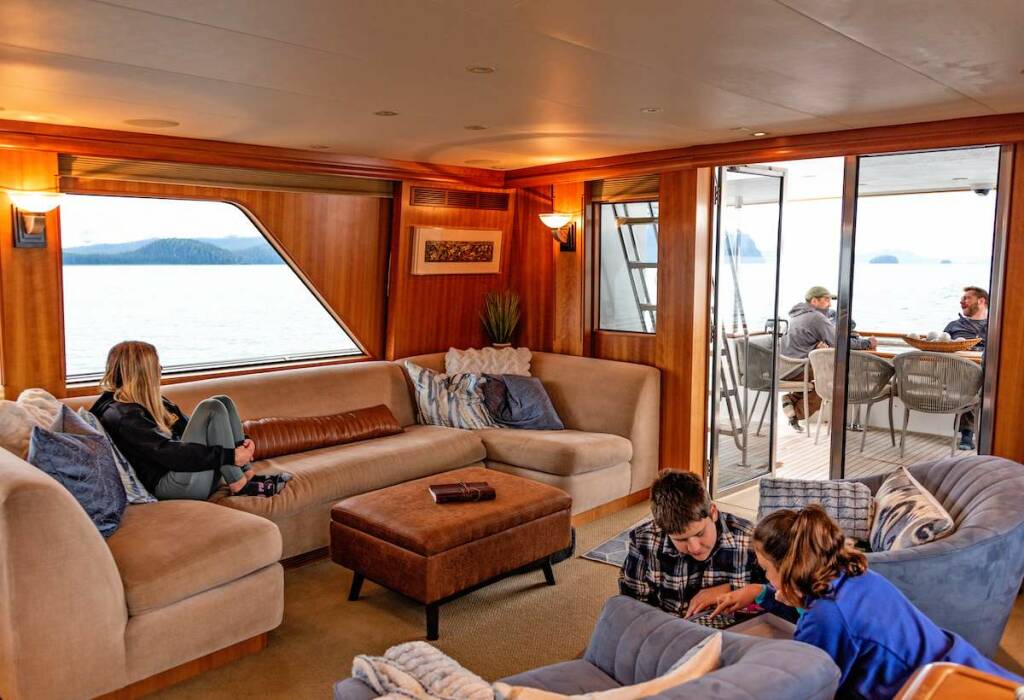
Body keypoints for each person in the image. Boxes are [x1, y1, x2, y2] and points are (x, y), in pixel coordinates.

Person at [708, 505, 1023, 700]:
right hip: (967, 669)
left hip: (934, 690)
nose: (766, 576)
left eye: (766, 569)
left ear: (789, 569)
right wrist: (762, 593)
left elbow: (807, 684)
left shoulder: (826, 617)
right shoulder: (853, 575)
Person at [91, 341, 288, 500]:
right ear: (144, 372)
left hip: (189, 474)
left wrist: (243, 442)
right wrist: (230, 456)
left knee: (222, 401)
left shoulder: (152, 401)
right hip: (171, 487)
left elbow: (187, 427)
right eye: (156, 365)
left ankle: (247, 475)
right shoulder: (122, 415)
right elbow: (169, 453)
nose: (160, 369)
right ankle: (239, 484)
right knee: (211, 407)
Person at [618, 470, 765, 619]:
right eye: (681, 540)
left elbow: (775, 595)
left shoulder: (750, 539)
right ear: (662, 529)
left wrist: (732, 589)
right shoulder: (643, 540)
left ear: (713, 512)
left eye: (700, 533)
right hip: (667, 628)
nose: (695, 548)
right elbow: (632, 606)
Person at [779, 286, 877, 431]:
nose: (830, 304)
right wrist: (867, 343)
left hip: (784, 368)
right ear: (814, 301)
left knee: (822, 380)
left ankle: (791, 401)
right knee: (830, 383)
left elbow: (799, 343)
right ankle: (796, 411)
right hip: (799, 368)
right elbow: (839, 342)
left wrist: (814, 347)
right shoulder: (816, 317)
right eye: (826, 300)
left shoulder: (795, 316)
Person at [943, 286, 988, 450]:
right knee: (970, 382)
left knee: (975, 381)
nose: (962, 301)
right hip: (955, 374)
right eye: (962, 298)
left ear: (981, 301)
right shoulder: (953, 326)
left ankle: (969, 434)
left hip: (984, 376)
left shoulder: (995, 326)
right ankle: (967, 434)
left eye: (967, 298)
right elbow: (940, 347)